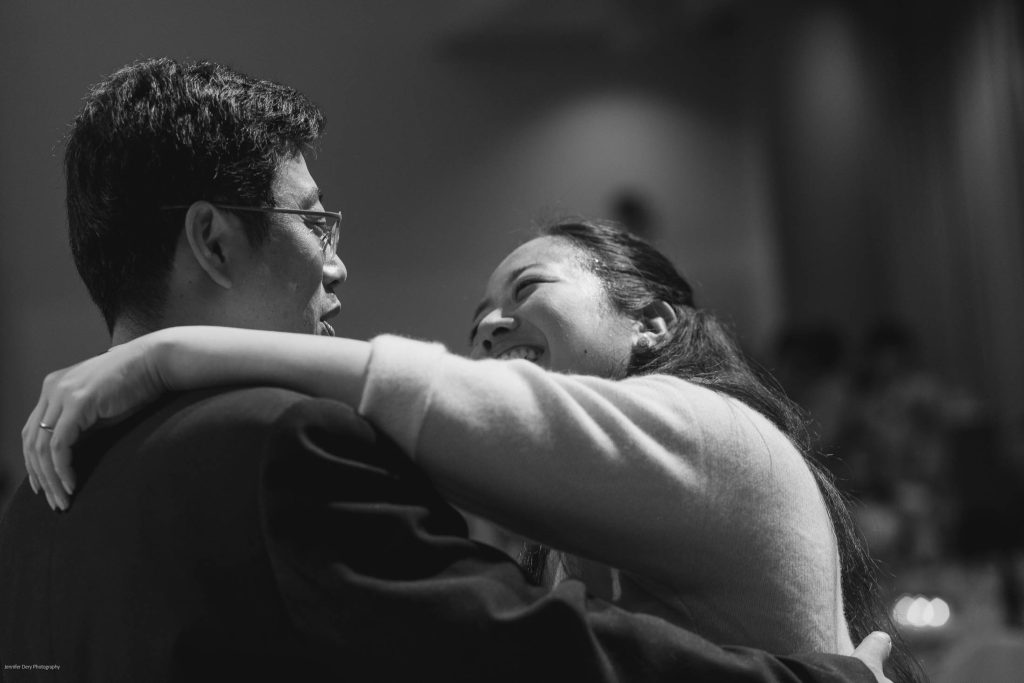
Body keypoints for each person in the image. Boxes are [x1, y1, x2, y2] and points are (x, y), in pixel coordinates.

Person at [0, 56, 896, 682]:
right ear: (212, 237)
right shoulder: (278, 443)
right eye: (318, 223)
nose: (339, 264)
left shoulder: (37, 500)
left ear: (658, 322)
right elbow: (532, 660)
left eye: (527, 288)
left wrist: (168, 351)